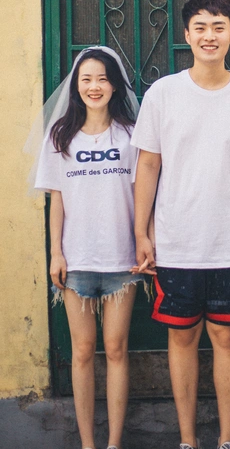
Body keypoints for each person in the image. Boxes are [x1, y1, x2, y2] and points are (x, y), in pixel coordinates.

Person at [131, 0, 230, 449]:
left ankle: (227, 440)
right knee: (181, 339)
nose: (209, 36)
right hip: (176, 240)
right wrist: (141, 232)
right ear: (186, 35)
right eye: (200, 27)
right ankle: (187, 441)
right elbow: (148, 165)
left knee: (227, 337)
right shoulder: (163, 94)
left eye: (218, 27)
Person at [33, 46, 143, 449]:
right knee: (82, 352)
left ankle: (113, 443)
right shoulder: (60, 136)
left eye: (102, 79)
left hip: (123, 261)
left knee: (116, 349)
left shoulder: (132, 136)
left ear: (115, 85)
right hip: (76, 260)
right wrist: (56, 253)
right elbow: (57, 201)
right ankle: (88, 444)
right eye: (87, 79)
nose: (94, 87)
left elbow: (142, 194)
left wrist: (144, 243)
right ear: (76, 86)